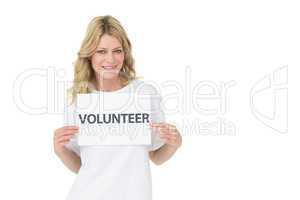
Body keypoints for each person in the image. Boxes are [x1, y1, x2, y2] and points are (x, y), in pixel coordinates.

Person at [53, 15, 182, 200]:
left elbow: (155, 156)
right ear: (90, 54)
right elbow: (84, 167)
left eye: (117, 50)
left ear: (125, 53)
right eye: (101, 51)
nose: (111, 59)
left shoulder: (144, 94)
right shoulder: (78, 98)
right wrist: (60, 150)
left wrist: (174, 144)